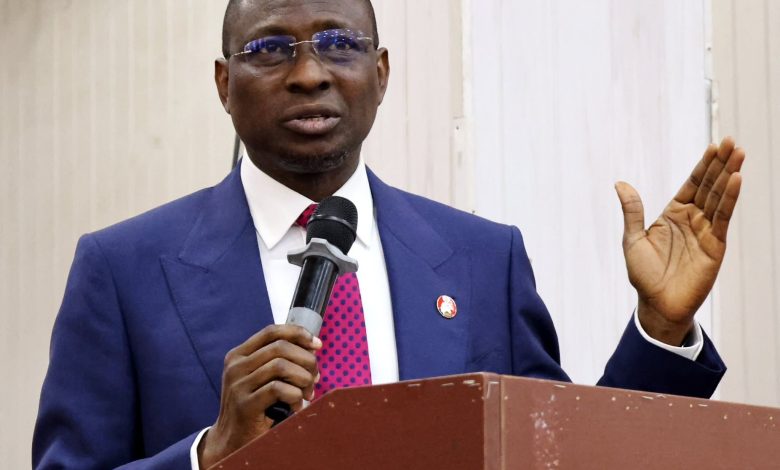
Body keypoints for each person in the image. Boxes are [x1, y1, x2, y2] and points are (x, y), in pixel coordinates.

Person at [32, 0, 745, 468]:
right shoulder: (123, 269)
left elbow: (558, 453)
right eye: (271, 48)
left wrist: (660, 330)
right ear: (224, 83)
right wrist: (208, 454)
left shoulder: (483, 261)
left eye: (339, 44)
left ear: (381, 74)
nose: (308, 73)